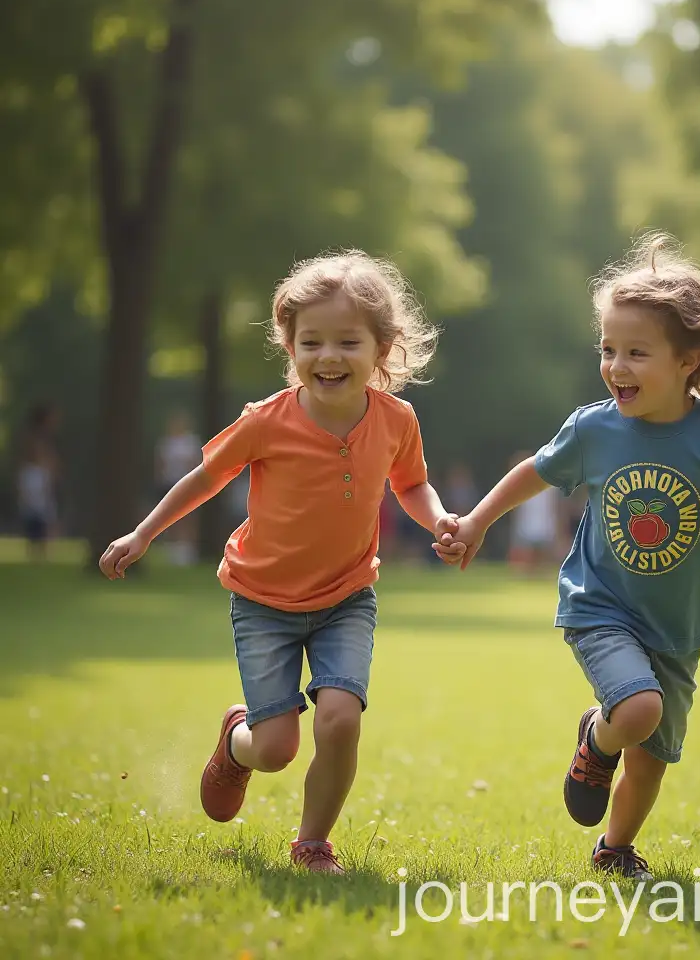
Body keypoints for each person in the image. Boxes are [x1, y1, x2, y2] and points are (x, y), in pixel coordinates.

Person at [445, 233, 700, 880]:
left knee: (652, 756)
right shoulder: (595, 428)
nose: (616, 366)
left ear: (688, 360)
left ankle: (614, 848)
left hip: (680, 627)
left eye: (636, 353)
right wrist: (478, 521)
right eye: (608, 350)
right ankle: (596, 739)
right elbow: (536, 472)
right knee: (637, 711)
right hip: (602, 605)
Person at [99, 250, 465, 874]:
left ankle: (313, 843)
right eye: (311, 341)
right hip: (263, 601)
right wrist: (144, 533)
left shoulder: (397, 420)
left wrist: (440, 520)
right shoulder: (266, 421)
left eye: (349, 341)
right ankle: (236, 744)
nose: (329, 356)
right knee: (275, 750)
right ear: (289, 346)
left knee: (341, 718)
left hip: (347, 597)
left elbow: (411, 485)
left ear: (382, 349)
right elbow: (204, 479)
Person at [154, 410, 202, 565]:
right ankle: (174, 548)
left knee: (188, 516)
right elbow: (160, 463)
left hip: (187, 482)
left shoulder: (191, 441)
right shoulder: (166, 443)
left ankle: (188, 549)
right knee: (171, 516)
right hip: (169, 482)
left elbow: (196, 462)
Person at [16, 404, 61, 561]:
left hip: (36, 477)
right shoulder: (37, 438)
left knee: (41, 515)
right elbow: (39, 460)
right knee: (40, 515)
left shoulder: (39, 437)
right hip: (36, 478)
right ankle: (38, 552)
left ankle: (40, 552)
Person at [506, 451, 561, 572]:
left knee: (543, 555)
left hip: (544, 522)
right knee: (525, 555)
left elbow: (554, 506)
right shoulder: (521, 485)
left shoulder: (550, 484)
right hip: (527, 523)